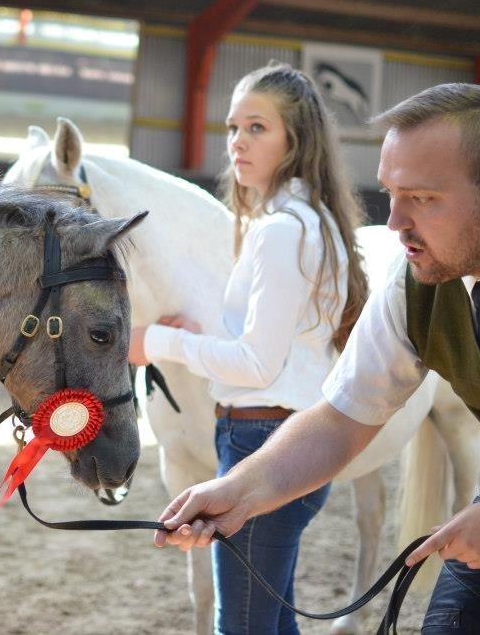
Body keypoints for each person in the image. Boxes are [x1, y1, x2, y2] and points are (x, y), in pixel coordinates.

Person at [152, 81, 480, 634]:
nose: (394, 222)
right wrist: (239, 490)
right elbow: (339, 420)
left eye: (422, 198)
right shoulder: (412, 285)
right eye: (391, 193)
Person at [129, 63, 369, 634]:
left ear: (295, 139)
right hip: (286, 439)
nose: (237, 141)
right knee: (270, 623)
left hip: (261, 440)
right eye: (233, 127)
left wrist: (158, 341)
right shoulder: (313, 221)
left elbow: (258, 364)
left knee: (241, 627)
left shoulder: (282, 229)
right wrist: (196, 336)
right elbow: (274, 347)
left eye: (257, 128)